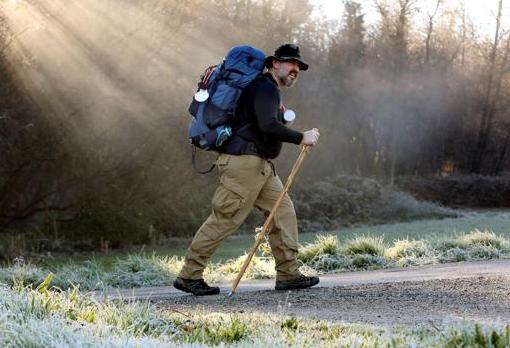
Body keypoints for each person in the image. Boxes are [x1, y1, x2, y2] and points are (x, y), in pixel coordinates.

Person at [174, 44, 321, 296]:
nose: (295, 69)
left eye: (298, 66)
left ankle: (288, 274)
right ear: (275, 63)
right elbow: (266, 126)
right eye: (290, 63)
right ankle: (189, 275)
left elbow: (263, 122)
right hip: (243, 164)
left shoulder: (265, 89)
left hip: (260, 165)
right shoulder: (265, 87)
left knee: (282, 211)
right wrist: (301, 137)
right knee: (225, 218)